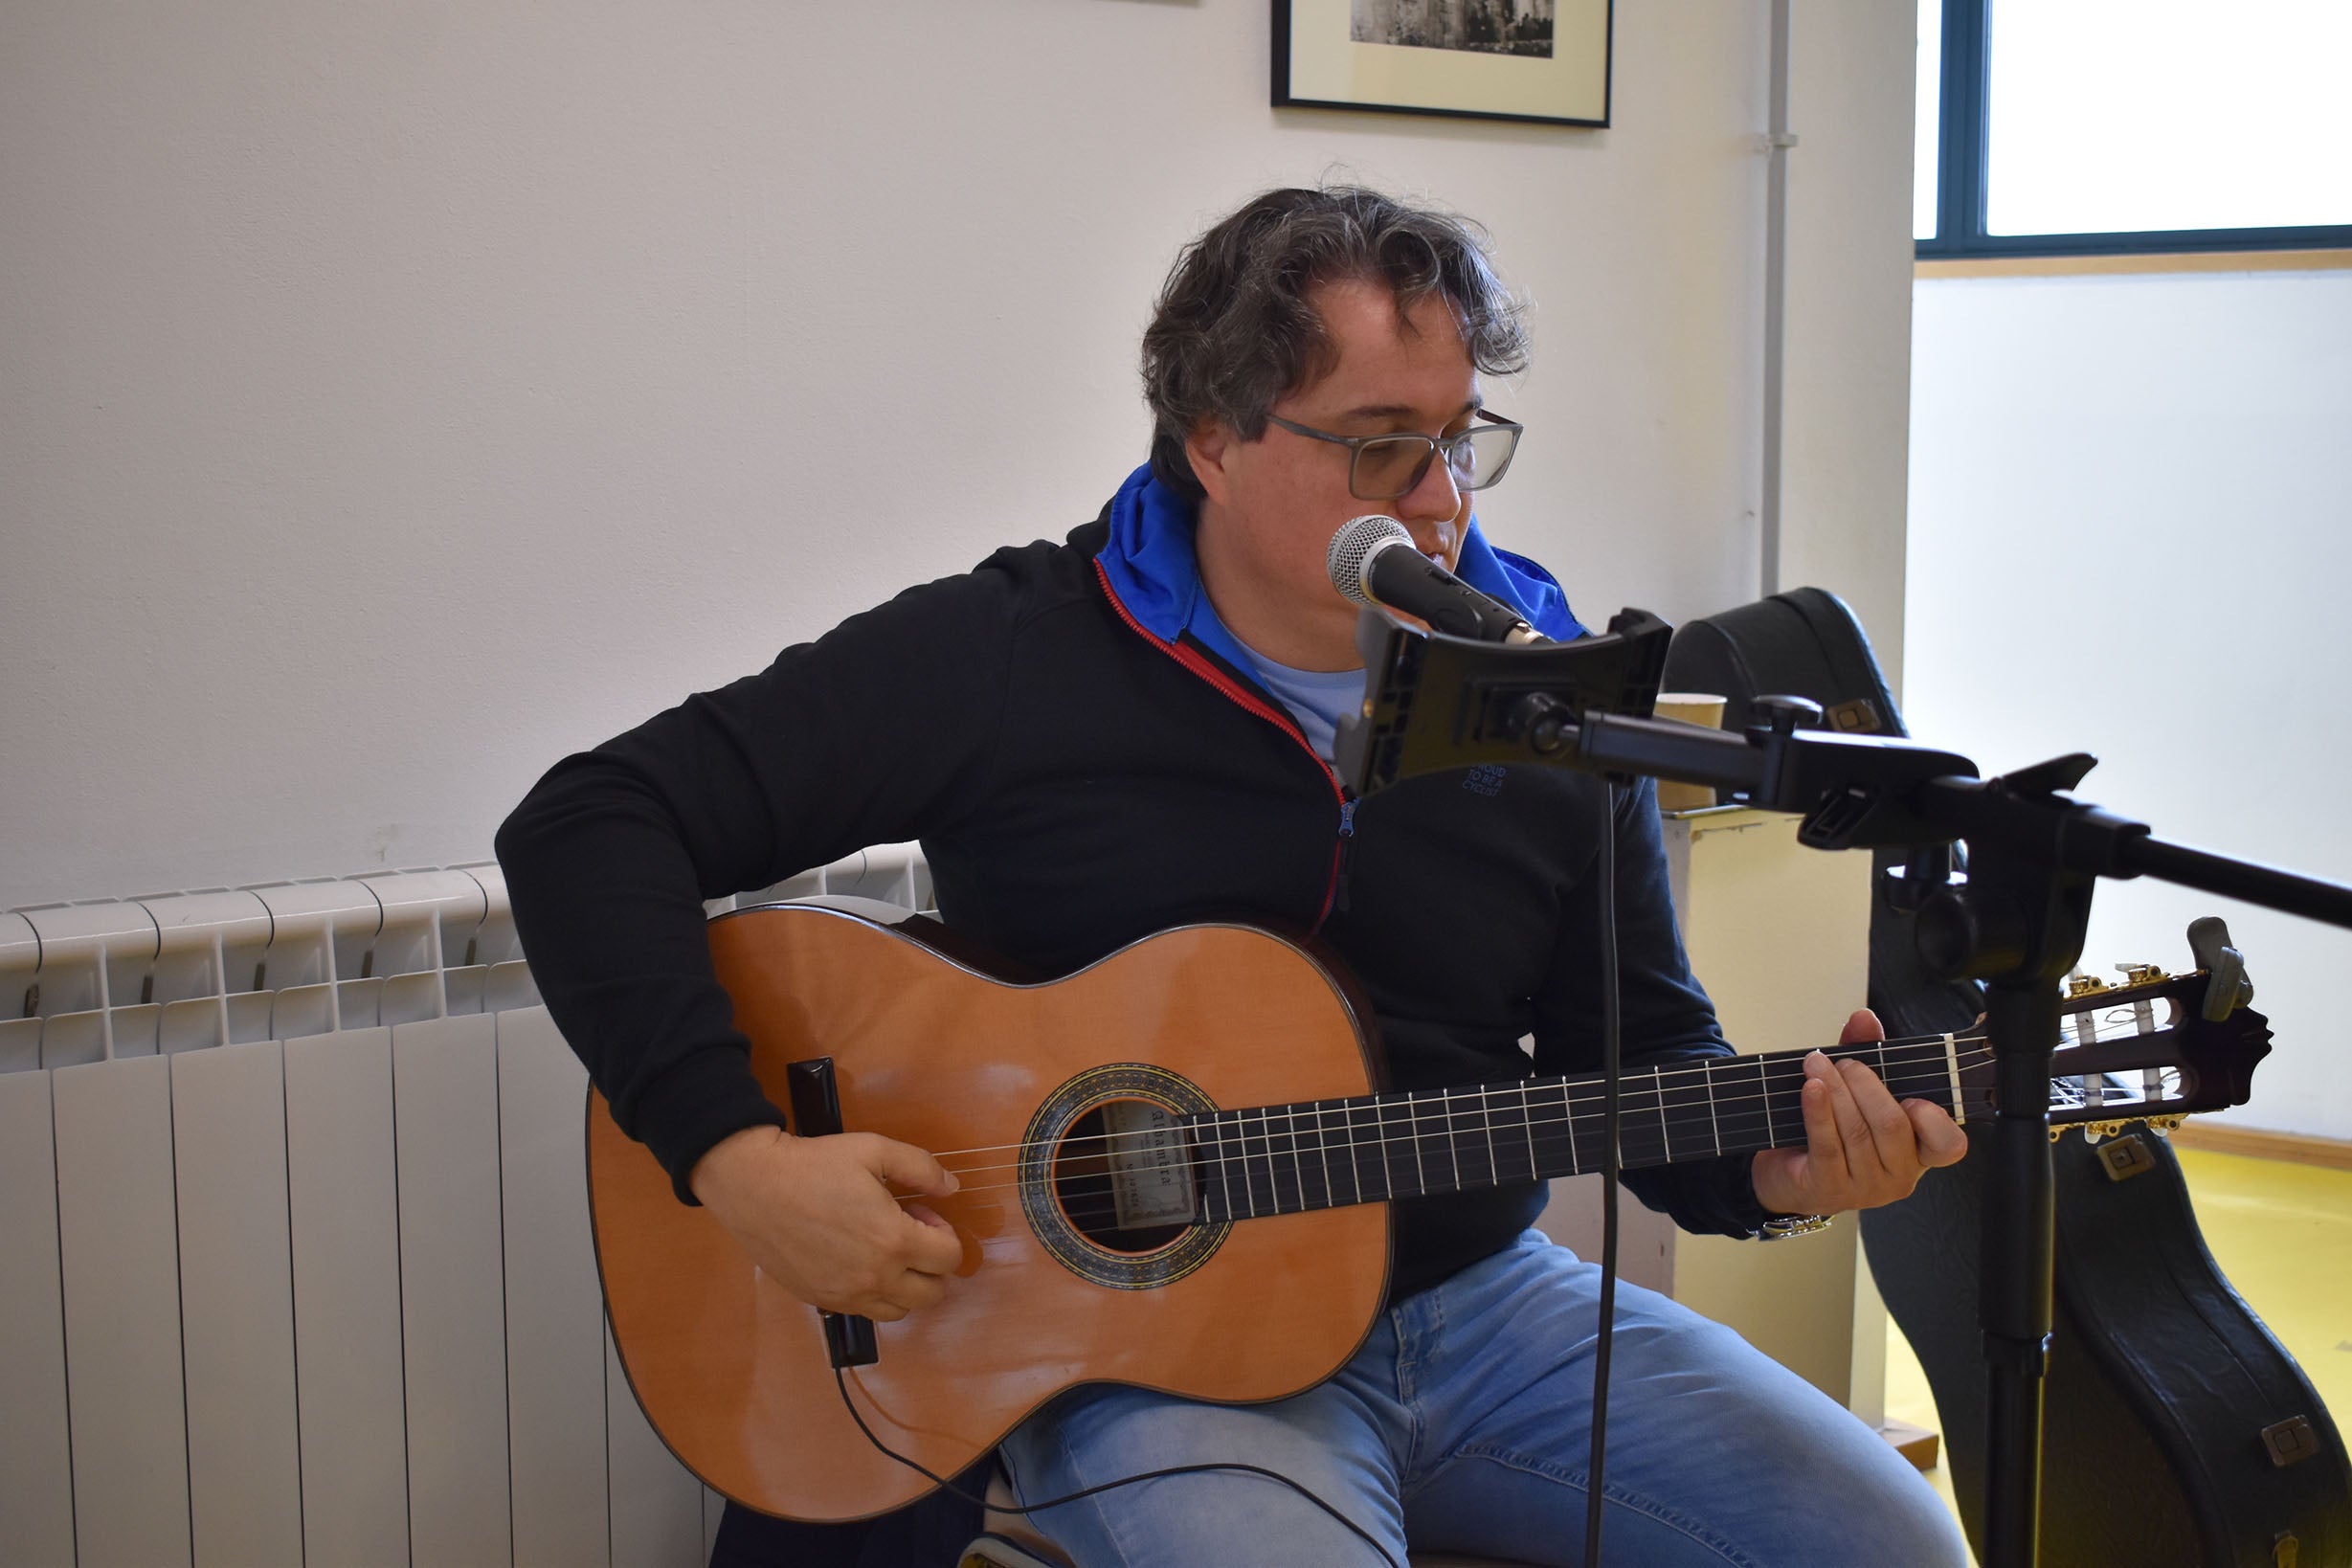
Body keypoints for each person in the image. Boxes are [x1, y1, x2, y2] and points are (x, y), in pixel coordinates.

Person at [498, 185, 1972, 1567]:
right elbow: (589, 821)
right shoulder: (1013, 652)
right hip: (1150, 1351)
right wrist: (736, 1156)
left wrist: (1784, 1171)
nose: (1442, 496)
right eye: (1380, 440)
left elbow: (1639, 1059)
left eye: (1463, 436)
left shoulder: (1546, 694)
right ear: (1213, 432)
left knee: (1895, 1541)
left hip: (1482, 1311)